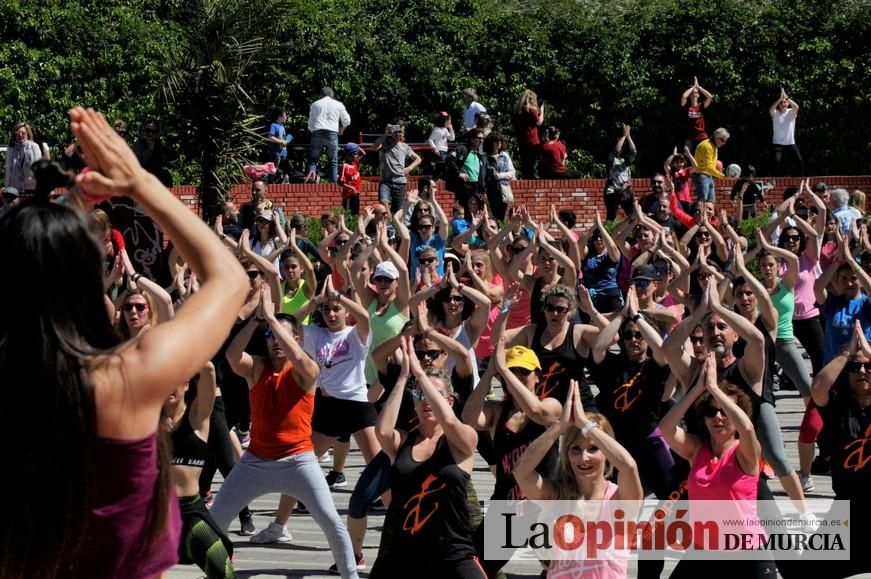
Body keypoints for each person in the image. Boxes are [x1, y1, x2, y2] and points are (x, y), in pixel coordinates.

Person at [0, 108, 248, 578]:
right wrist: (138, 183)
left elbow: (28, 270)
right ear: (88, 277)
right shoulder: (126, 378)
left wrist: (57, 214)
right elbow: (229, 279)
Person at [212, 289, 360, 579]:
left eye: (282, 336)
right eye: (271, 336)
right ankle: (217, 572)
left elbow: (308, 367)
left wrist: (273, 321)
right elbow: (231, 356)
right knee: (214, 520)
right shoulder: (257, 368)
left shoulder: (306, 370)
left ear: (296, 340)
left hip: (299, 462)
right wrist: (257, 321)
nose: (275, 341)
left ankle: (350, 576)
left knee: (331, 521)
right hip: (255, 461)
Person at [369, 337, 484, 579]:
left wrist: (421, 375)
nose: (426, 399)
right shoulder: (403, 440)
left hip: (452, 551)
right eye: (420, 394)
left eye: (434, 394)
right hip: (402, 551)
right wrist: (403, 377)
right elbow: (382, 432)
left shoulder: (461, 439)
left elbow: (450, 421)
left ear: (450, 401)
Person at [660, 354, 776, 578]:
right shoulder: (697, 450)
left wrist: (715, 390)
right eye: (711, 411)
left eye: (725, 410)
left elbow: (748, 429)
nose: (718, 417)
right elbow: (666, 428)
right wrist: (698, 390)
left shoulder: (746, 451)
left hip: (747, 555)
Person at [514, 380, 642, 579]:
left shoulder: (620, 499)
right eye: (576, 449)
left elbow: (629, 466)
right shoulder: (556, 496)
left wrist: (585, 424)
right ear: (567, 454)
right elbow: (521, 471)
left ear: (606, 452)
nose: (584, 458)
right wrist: (561, 425)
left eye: (593, 449)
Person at [464, 340, 562, 579]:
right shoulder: (497, 411)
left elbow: (537, 413)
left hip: (545, 506)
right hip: (509, 506)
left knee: (559, 570)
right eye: (512, 371)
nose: (517, 377)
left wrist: (506, 372)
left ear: (538, 376)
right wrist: (489, 373)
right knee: (476, 567)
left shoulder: (552, 404)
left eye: (523, 372)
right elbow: (468, 417)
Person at [808, 322, 871, 578]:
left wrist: (868, 350)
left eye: (868, 367)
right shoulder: (839, 406)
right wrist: (847, 354)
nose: (862, 372)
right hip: (847, 507)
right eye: (856, 368)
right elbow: (817, 388)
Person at [162, 363, 235, 579]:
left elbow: (209, 370)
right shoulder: (148, 420)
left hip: (190, 512)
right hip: (153, 513)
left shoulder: (197, 416)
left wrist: (186, 349)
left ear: (186, 384)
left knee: (224, 573)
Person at [372, 122, 422, 213]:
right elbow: (374, 147)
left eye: (401, 132)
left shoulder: (405, 146)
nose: (398, 134)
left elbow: (418, 159)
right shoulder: (385, 143)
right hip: (385, 180)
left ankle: (394, 224)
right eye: (396, 131)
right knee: (383, 203)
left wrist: (409, 168)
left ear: (403, 133)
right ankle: (389, 221)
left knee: (397, 209)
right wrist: (385, 134)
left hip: (400, 181)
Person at [307, 86, 351, 184]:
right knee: (333, 160)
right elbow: (347, 121)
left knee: (313, 159)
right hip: (332, 133)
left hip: (317, 132)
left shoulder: (315, 104)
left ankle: (311, 181)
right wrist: (341, 130)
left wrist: (312, 131)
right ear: (332, 95)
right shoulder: (338, 104)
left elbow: (310, 123)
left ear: (321, 95)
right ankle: (333, 183)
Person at [603, 124, 637, 220]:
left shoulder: (626, 162)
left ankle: (636, 233)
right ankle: (608, 234)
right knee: (611, 217)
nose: (621, 147)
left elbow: (633, 152)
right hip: (611, 191)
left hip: (625, 190)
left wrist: (628, 136)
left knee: (632, 215)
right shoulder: (610, 159)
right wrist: (623, 136)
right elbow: (615, 151)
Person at [445, 128, 487, 206]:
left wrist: (483, 190)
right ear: (472, 138)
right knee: (464, 210)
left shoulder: (478, 154)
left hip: (476, 188)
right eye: (479, 138)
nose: (481, 141)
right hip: (464, 187)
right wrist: (458, 173)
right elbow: (449, 159)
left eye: (482, 138)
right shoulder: (463, 149)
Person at [132, 118, 178, 187]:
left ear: (157, 133)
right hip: (143, 179)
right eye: (148, 131)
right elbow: (140, 161)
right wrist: (150, 149)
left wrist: (165, 161)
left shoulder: (158, 144)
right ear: (144, 131)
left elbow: (175, 155)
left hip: (158, 179)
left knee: (166, 175)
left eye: (153, 131)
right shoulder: (138, 144)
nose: (150, 134)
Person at [482, 130, 516, 220]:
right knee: (491, 214)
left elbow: (512, 172)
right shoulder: (485, 157)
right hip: (490, 190)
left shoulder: (505, 156)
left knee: (501, 215)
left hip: (503, 189)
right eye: (496, 141)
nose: (498, 143)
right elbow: (483, 176)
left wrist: (501, 175)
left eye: (500, 141)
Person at [769, 87, 803, 176]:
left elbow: (796, 107)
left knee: (799, 160)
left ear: (787, 103)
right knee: (776, 161)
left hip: (790, 143)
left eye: (784, 102)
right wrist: (780, 98)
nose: (783, 104)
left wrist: (786, 98)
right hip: (778, 143)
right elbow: (771, 109)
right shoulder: (776, 113)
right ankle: (774, 182)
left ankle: (799, 180)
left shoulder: (791, 112)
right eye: (781, 103)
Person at [514, 89, 544, 179]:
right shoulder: (531, 110)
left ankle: (526, 179)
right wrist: (542, 111)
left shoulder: (519, 110)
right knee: (532, 162)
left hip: (522, 139)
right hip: (532, 139)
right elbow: (539, 122)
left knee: (525, 162)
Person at [693, 127, 729, 202]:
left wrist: (719, 169)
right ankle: (696, 214)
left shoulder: (714, 146)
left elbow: (711, 164)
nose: (724, 143)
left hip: (708, 175)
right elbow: (708, 167)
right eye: (722, 140)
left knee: (711, 201)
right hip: (701, 175)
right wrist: (722, 176)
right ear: (716, 137)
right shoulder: (707, 146)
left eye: (725, 141)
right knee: (703, 201)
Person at [5, 122, 42, 192]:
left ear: (28, 134)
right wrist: (7, 187)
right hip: (14, 189)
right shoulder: (11, 149)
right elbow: (8, 170)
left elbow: (39, 169)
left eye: (23, 133)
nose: (20, 135)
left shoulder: (34, 146)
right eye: (17, 133)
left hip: (31, 188)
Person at [680, 76, 713, 152]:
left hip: (702, 136)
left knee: (704, 155)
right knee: (686, 156)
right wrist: (694, 87)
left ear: (698, 95)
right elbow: (683, 96)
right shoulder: (686, 106)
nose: (694, 94)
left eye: (696, 93)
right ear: (690, 95)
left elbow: (710, 97)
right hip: (690, 137)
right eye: (692, 93)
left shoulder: (701, 106)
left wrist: (698, 87)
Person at [338, 142, 365, 215]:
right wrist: (352, 188)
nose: (356, 156)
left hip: (356, 194)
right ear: (348, 156)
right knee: (348, 214)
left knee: (356, 214)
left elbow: (363, 153)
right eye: (354, 154)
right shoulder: (345, 166)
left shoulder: (354, 164)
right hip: (348, 196)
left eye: (356, 154)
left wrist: (357, 146)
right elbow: (340, 182)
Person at [427, 111, 455, 178]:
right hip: (440, 151)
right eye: (448, 120)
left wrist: (451, 129)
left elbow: (452, 138)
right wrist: (434, 148)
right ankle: (435, 180)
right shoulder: (437, 130)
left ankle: (435, 180)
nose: (450, 122)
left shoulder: (445, 129)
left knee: (441, 169)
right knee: (442, 168)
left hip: (445, 151)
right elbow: (430, 139)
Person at [266, 107, 290, 182]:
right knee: (273, 170)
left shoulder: (282, 126)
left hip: (283, 152)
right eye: (285, 115)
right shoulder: (273, 125)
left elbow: (282, 138)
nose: (286, 117)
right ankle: (271, 184)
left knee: (285, 169)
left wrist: (287, 140)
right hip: (276, 153)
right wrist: (281, 142)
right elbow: (270, 137)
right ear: (280, 116)